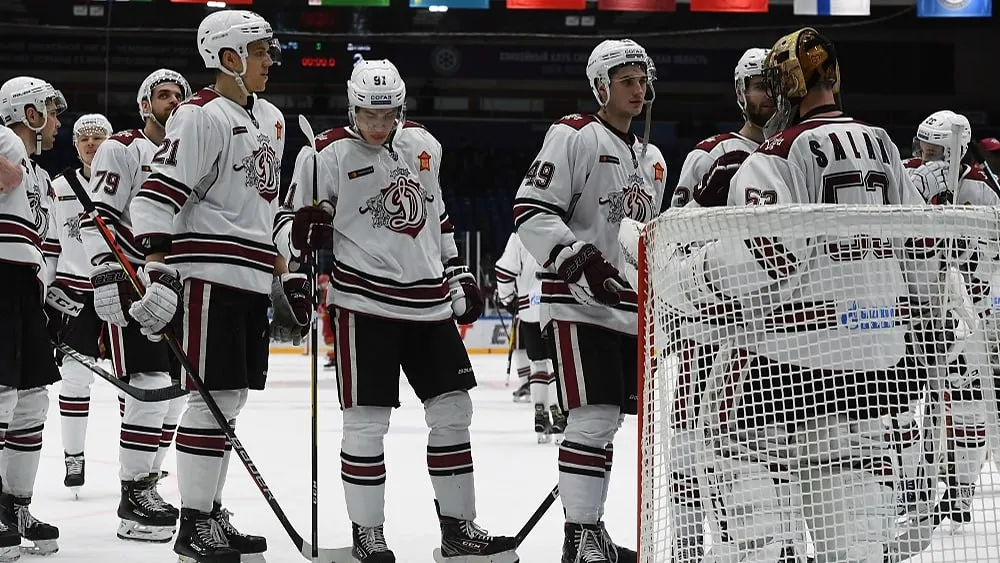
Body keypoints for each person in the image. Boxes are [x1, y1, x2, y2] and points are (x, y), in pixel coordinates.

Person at [662, 28, 943, 561]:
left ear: (786, 85)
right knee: (857, 542)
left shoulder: (776, 153)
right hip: (874, 371)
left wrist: (680, 277)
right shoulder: (884, 145)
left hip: (780, 371)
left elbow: (765, 261)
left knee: (757, 537)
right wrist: (919, 322)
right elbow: (923, 248)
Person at [273, 58, 518, 563]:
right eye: (370, 115)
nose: (379, 125)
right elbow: (284, 222)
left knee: (454, 412)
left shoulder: (424, 144)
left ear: (401, 109)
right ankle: (368, 534)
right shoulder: (324, 154)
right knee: (367, 422)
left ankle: (458, 530)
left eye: (388, 115)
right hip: (364, 304)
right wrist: (299, 242)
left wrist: (456, 271)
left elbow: (438, 215)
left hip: (429, 305)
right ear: (352, 108)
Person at [127, 10, 303, 563]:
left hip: (250, 279)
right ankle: (195, 524)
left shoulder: (272, 118)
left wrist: (287, 272)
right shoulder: (198, 115)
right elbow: (157, 194)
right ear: (229, 58)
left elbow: (269, 207)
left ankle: (211, 514)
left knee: (230, 399)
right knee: (211, 400)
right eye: (260, 52)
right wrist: (157, 269)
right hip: (208, 276)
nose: (270, 61)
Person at [513, 38, 667, 562]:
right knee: (593, 417)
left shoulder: (649, 158)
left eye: (643, 81)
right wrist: (580, 260)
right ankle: (579, 535)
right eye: (627, 81)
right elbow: (531, 209)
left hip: (628, 312)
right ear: (601, 86)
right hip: (580, 305)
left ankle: (590, 530)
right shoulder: (574, 134)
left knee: (607, 424)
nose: (638, 90)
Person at [80, 68, 191, 545]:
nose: (172, 101)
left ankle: (149, 483)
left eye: (179, 95)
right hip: (135, 281)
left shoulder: (190, 150)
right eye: (163, 95)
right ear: (145, 105)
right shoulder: (122, 147)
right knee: (149, 385)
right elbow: (100, 215)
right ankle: (133, 492)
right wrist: (105, 269)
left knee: (177, 394)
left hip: (180, 283)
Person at [903, 110, 997, 530]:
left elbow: (988, 261)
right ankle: (913, 489)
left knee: (968, 402)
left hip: (964, 315)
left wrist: (967, 252)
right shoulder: (908, 177)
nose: (925, 158)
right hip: (909, 310)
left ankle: (960, 495)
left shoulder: (980, 189)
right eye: (922, 150)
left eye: (933, 152)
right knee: (902, 403)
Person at [0, 75, 66, 557]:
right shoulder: (3, 139)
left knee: (31, 400)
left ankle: (14, 505)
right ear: (29, 113)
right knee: (3, 394)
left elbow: (46, 243)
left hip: (26, 286)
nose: (57, 121)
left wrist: (50, 296)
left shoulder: (40, 176)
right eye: (51, 110)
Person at [45, 112, 113, 497]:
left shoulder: (124, 182)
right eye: (84, 137)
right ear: (75, 145)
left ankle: (142, 466)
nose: (90, 143)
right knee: (74, 378)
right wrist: (44, 292)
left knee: (137, 380)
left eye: (97, 136)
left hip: (118, 289)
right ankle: (73, 457)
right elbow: (51, 246)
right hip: (74, 294)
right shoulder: (58, 188)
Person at [669, 47, 773, 209]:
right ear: (740, 92)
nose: (770, 94)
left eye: (776, 86)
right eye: (760, 86)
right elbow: (674, 221)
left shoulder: (795, 150)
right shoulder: (709, 154)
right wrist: (701, 203)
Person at [495, 232, 566, 443]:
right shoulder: (559, 229)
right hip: (554, 304)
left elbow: (504, 270)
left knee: (538, 363)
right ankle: (558, 414)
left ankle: (540, 414)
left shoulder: (519, 235)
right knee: (555, 363)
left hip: (528, 310)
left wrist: (508, 299)